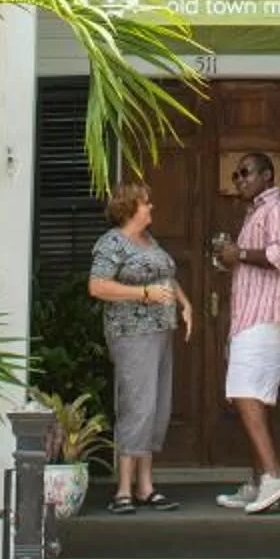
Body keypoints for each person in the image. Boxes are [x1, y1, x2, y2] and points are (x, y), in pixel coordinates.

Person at [86, 182, 191, 512]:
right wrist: (143, 294)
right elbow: (97, 286)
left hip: (160, 332)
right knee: (136, 405)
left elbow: (165, 276)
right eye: (146, 203)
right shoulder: (112, 243)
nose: (151, 207)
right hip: (131, 334)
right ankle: (123, 490)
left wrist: (185, 303)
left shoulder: (148, 240)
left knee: (156, 407)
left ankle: (146, 486)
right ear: (130, 208)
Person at [210, 150, 280, 513]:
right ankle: (260, 481)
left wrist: (241, 255)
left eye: (246, 173)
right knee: (251, 399)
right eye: (236, 175)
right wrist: (232, 258)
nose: (240, 180)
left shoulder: (278, 209)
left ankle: (275, 476)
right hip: (249, 321)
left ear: (267, 176)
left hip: (267, 319)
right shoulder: (255, 213)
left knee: (245, 393)